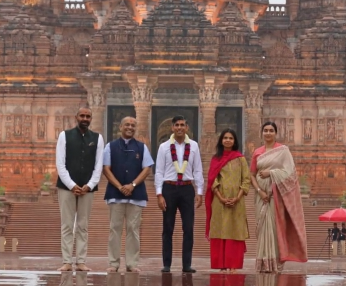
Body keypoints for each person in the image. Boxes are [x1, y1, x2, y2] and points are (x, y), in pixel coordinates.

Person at [250, 121, 307, 273]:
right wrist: (259, 191)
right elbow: (252, 175)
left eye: (271, 130)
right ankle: (263, 263)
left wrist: (271, 173)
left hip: (277, 195)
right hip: (260, 195)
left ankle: (274, 263)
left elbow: (290, 173)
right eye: (265, 130)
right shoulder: (257, 152)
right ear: (262, 133)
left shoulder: (283, 151)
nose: (268, 133)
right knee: (262, 228)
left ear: (275, 133)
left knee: (275, 228)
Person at [55, 107, 104, 272]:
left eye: (88, 116)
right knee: (67, 225)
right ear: (76, 117)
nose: (85, 118)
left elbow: (99, 165)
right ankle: (67, 261)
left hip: (87, 188)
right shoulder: (65, 135)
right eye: (82, 115)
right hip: (66, 187)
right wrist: (71, 185)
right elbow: (60, 163)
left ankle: (81, 261)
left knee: (83, 225)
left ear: (91, 118)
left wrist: (89, 185)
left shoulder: (97, 138)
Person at [103, 116, 154, 273]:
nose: (130, 127)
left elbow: (147, 168)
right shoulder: (110, 147)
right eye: (127, 125)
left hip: (136, 194)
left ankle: (132, 263)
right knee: (115, 228)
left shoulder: (141, 147)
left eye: (133, 125)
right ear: (120, 127)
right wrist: (119, 186)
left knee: (133, 229)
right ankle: (113, 263)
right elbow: (106, 168)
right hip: (115, 193)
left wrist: (132, 185)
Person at [155, 115, 204, 273]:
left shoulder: (194, 146)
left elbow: (198, 170)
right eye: (176, 125)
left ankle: (186, 264)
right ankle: (167, 264)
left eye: (182, 125)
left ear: (187, 128)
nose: (179, 128)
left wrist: (199, 191)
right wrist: (159, 194)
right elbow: (159, 171)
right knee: (168, 228)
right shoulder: (164, 147)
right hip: (169, 189)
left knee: (188, 228)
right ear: (172, 128)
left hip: (187, 189)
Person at [205, 128, 250, 273]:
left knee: (235, 230)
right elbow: (213, 180)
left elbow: (246, 179)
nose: (228, 140)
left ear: (235, 141)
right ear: (221, 141)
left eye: (231, 138)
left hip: (237, 201)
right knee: (220, 229)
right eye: (225, 138)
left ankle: (234, 265)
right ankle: (221, 264)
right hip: (219, 201)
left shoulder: (240, 158)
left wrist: (237, 197)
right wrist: (221, 197)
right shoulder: (216, 159)